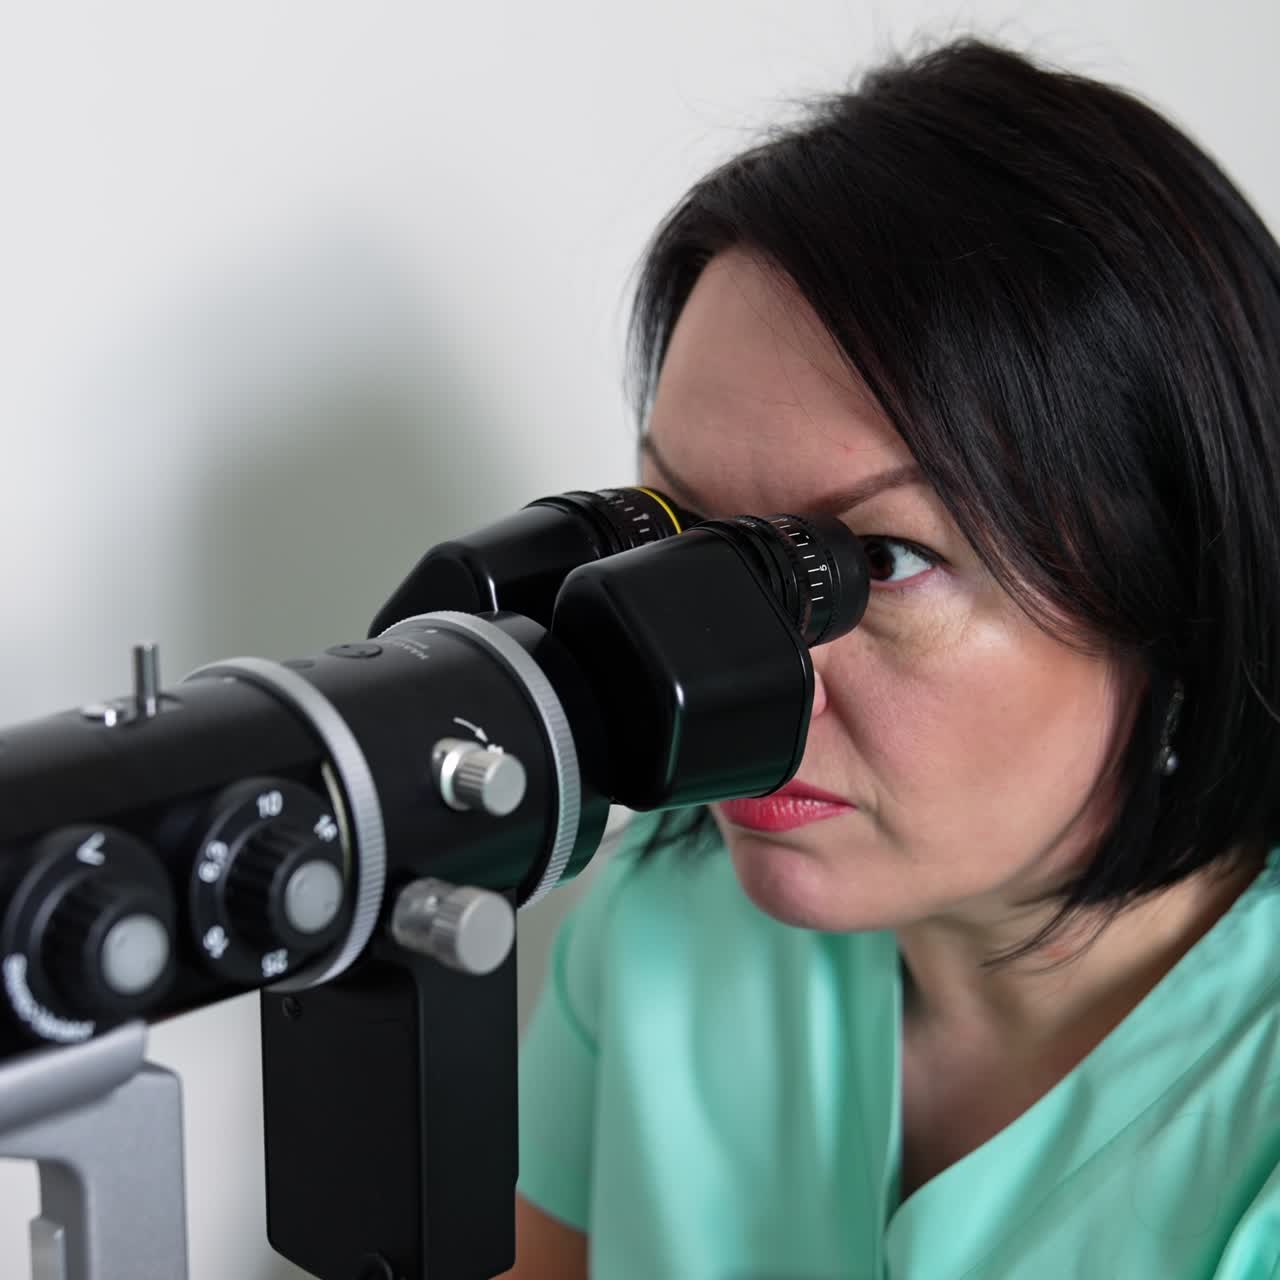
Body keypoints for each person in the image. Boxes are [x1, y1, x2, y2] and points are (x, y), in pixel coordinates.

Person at [504, 38, 1280, 1279]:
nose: (723, 677)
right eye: (682, 535)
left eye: (874, 561)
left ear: (1177, 589)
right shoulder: (661, 921)